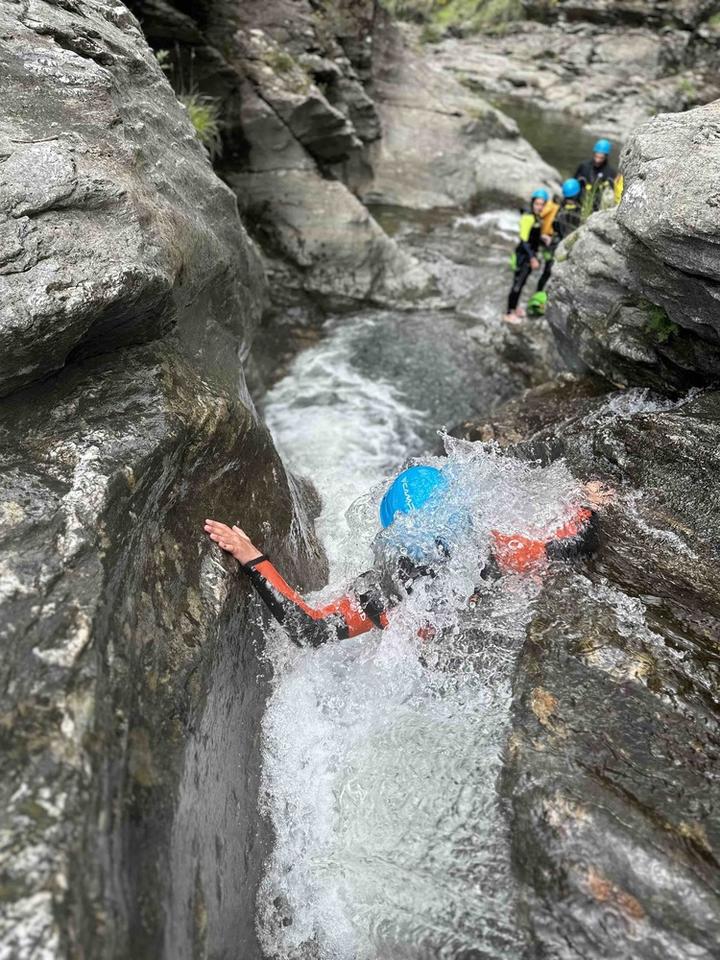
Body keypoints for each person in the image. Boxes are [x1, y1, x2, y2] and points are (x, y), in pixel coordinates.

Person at [204, 466, 612, 650]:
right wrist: (586, 505)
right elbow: (573, 545)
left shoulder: (384, 596)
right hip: (485, 642)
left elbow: (310, 631)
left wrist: (252, 557)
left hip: (429, 670)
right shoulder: (486, 550)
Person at [503, 188, 551, 325]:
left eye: (542, 204)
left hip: (530, 256)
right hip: (523, 257)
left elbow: (532, 236)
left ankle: (515, 308)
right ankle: (509, 313)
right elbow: (524, 241)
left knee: (522, 283)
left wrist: (543, 238)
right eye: (537, 204)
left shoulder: (537, 218)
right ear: (532, 203)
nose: (539, 207)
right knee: (517, 285)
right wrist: (532, 258)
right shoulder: (527, 218)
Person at [575, 139, 617, 210]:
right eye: (596, 157)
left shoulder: (610, 172)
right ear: (594, 154)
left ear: (606, 157)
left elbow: (611, 192)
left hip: (598, 205)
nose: (597, 160)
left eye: (601, 158)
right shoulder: (584, 166)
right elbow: (575, 182)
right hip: (581, 202)